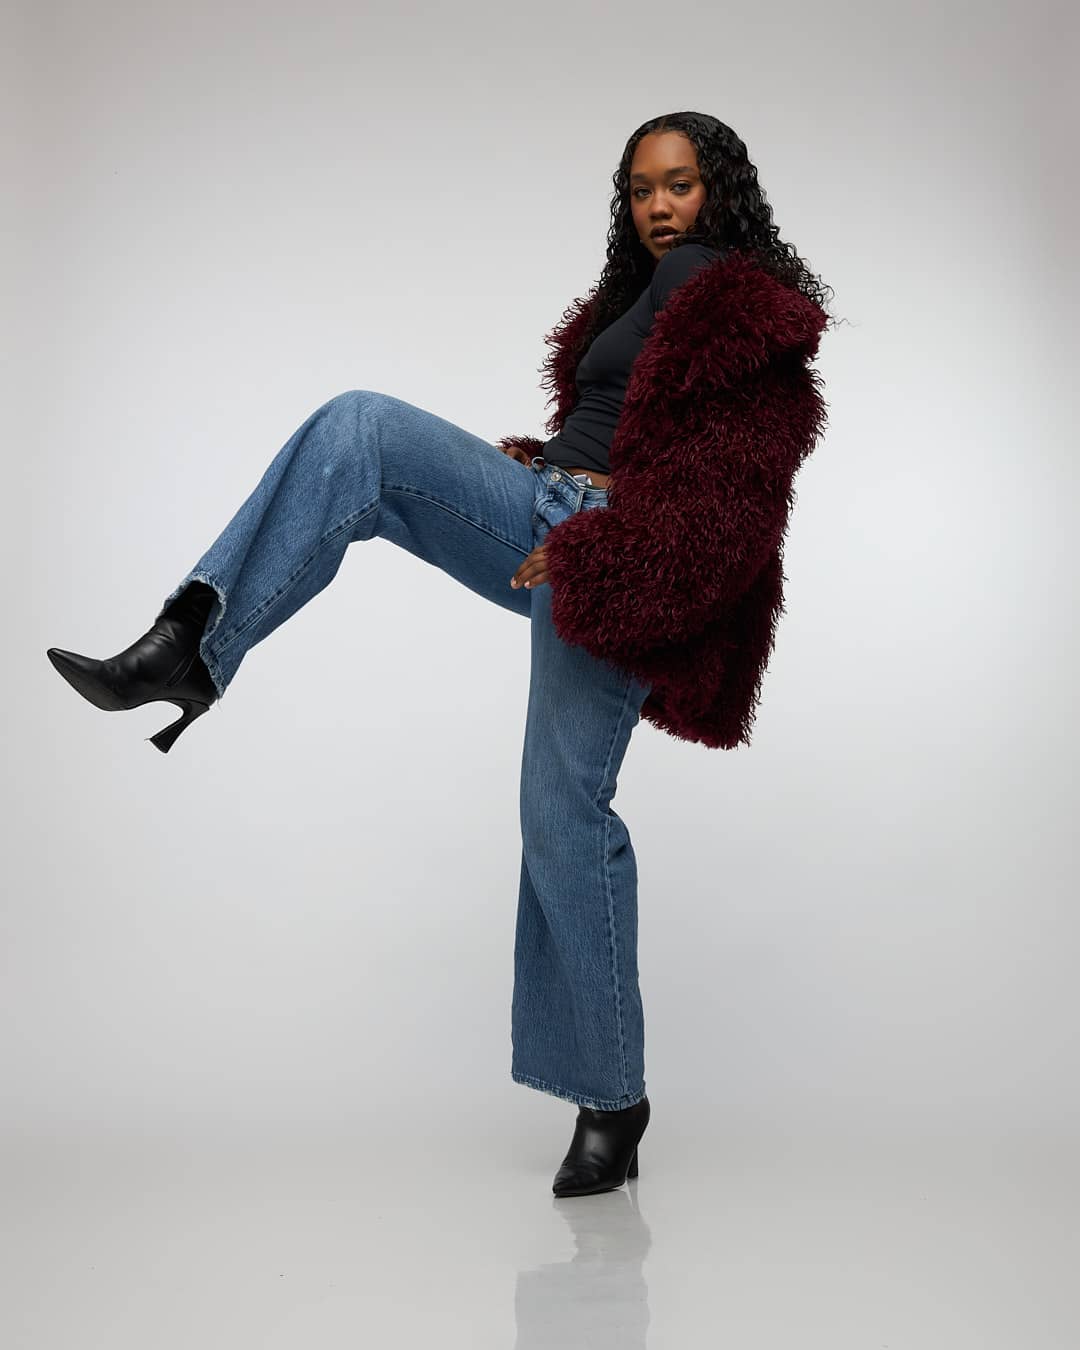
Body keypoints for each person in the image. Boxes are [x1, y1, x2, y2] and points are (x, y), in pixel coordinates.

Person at [46, 112, 834, 1198]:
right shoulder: (634, 295)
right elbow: (611, 426)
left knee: (562, 814)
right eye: (643, 187)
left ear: (723, 190)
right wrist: (543, 464)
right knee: (360, 428)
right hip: (551, 514)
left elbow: (732, 520)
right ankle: (192, 641)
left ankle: (614, 1099)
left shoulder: (752, 325)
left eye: (683, 185)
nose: (660, 206)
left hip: (616, 561)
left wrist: (601, 548)